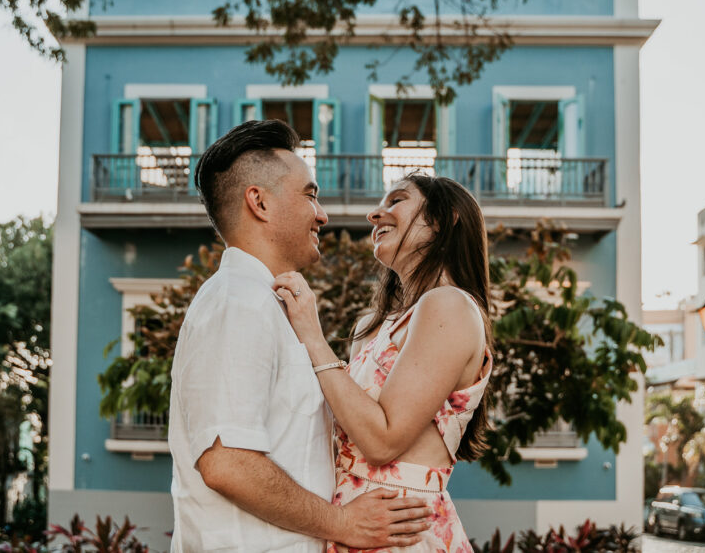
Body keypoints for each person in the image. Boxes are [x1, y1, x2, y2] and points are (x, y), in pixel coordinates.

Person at [168, 120, 432, 552]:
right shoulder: (238, 301)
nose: (322, 214)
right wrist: (343, 523)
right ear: (260, 203)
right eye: (310, 195)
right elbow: (227, 461)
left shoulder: (265, 303)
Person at [274, 173, 493, 551]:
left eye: (396, 201)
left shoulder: (450, 306)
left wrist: (312, 335)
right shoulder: (371, 327)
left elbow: (382, 441)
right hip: (351, 523)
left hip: (399, 533)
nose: (375, 214)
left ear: (446, 219)